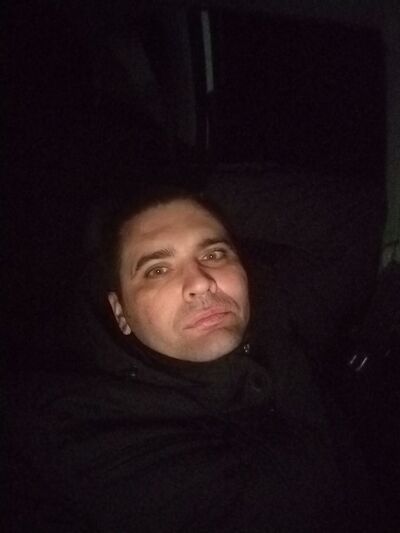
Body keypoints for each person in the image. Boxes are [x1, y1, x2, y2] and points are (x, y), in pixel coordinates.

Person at [5, 166, 385, 532]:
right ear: (121, 314)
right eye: (157, 270)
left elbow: (356, 214)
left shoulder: (272, 313)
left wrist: (191, 195)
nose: (201, 283)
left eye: (213, 254)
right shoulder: (91, 438)